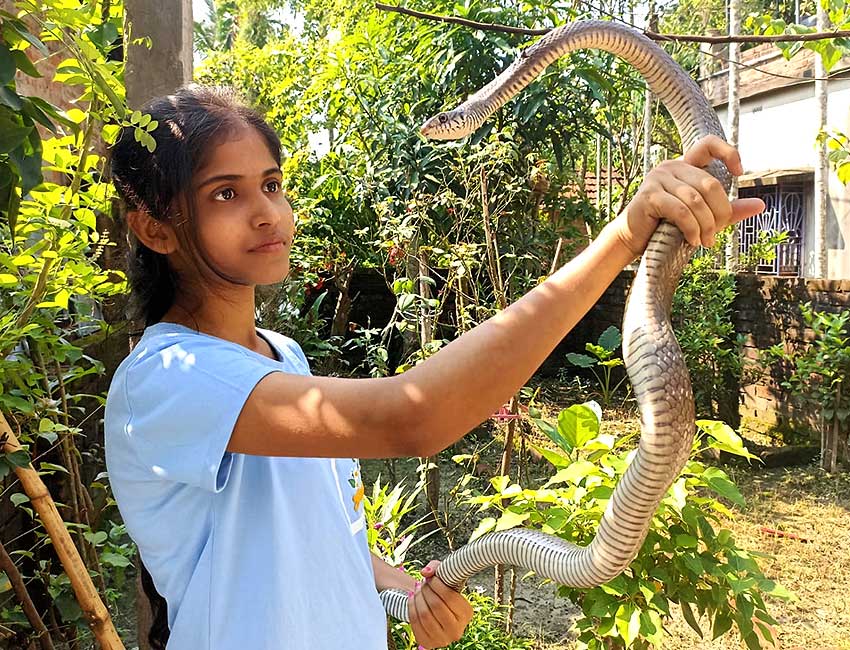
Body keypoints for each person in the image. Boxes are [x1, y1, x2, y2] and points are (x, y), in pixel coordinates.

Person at [104, 84, 764, 650]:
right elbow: (412, 415)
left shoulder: (284, 356)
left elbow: (319, 530)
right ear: (156, 229)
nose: (267, 212)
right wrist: (620, 238)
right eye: (225, 194)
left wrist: (400, 587)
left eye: (272, 185)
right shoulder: (168, 379)